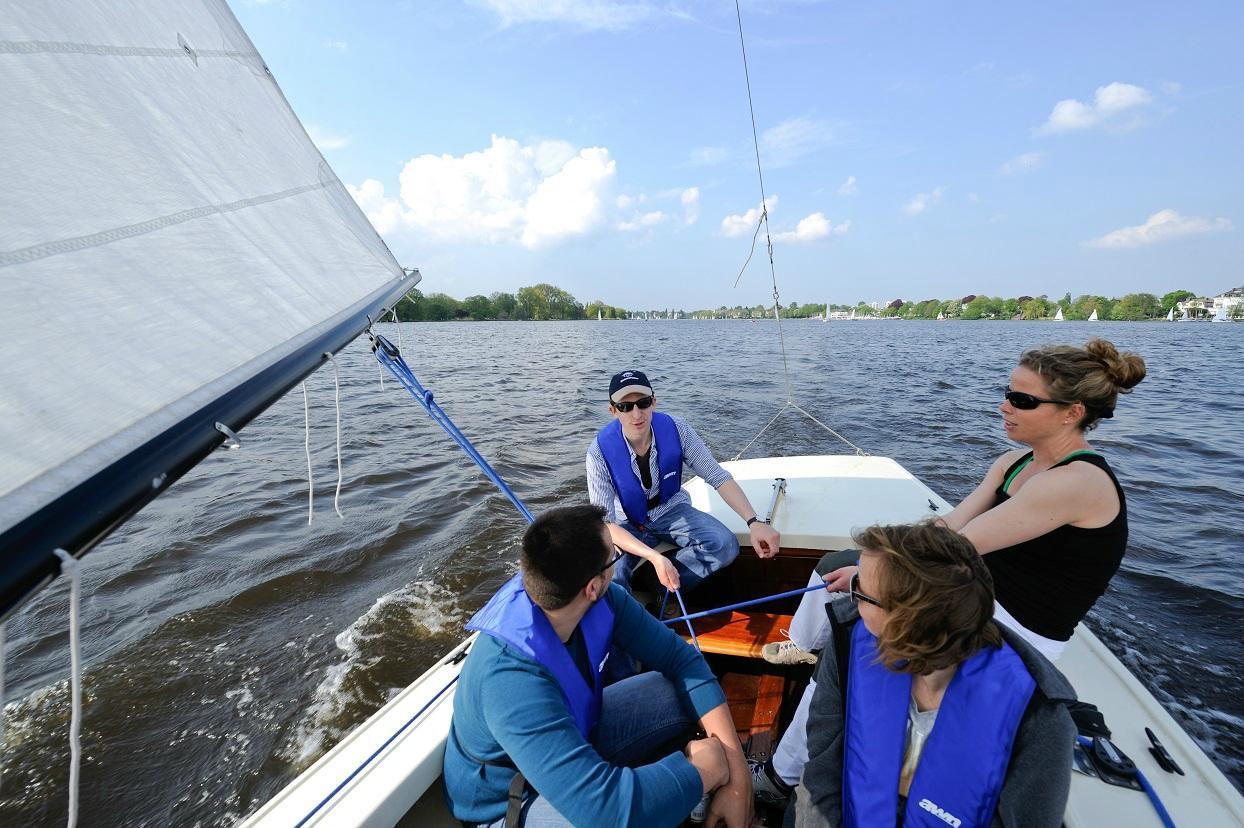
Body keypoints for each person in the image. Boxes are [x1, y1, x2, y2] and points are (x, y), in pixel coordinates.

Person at [754, 337, 1144, 801]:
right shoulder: (1015, 462)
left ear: (1071, 412)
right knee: (835, 567)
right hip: (975, 594)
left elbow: (955, 546)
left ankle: (781, 777)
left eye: (1022, 400)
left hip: (1017, 626)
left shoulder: (1077, 482)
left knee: (851, 640)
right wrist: (865, 561)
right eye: (1007, 391)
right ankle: (802, 645)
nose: (1004, 406)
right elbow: (948, 524)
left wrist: (869, 577)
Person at [443, 505, 753, 827]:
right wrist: (704, 771)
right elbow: (606, 813)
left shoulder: (600, 599)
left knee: (675, 691)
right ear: (592, 586)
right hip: (510, 800)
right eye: (615, 556)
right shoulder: (508, 678)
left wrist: (737, 775)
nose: (619, 555)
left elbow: (682, 660)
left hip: (579, 732)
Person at [790, 522, 1076, 828]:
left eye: (861, 589)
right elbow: (822, 769)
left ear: (904, 624)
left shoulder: (1042, 719)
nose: (851, 594)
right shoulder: (851, 640)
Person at [586, 369, 781, 595]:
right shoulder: (598, 453)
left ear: (654, 402)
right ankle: (634, 616)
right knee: (611, 573)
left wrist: (753, 522)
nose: (636, 414)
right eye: (625, 407)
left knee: (724, 544)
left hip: (671, 509)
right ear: (613, 411)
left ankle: (657, 586)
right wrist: (655, 557)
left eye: (643, 403)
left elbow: (717, 476)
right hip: (624, 523)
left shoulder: (678, 430)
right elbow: (605, 524)